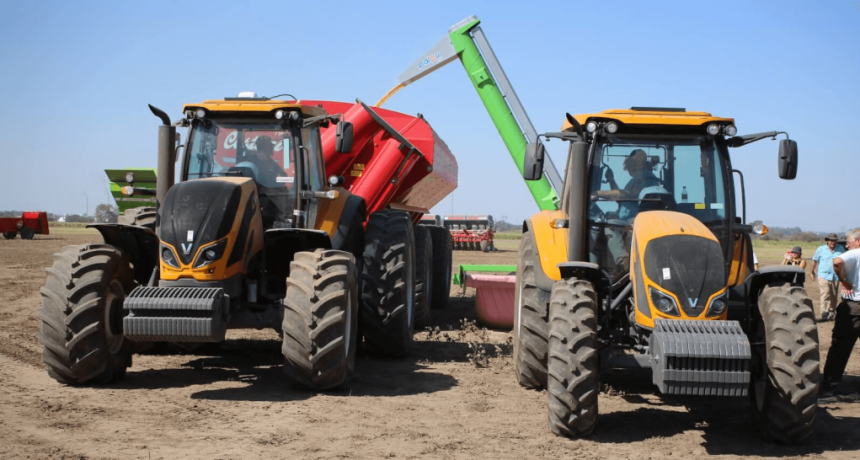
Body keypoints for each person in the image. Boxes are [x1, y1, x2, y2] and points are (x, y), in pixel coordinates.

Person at [820, 229, 860, 394]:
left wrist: (844, 281)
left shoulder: (855, 253)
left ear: (858, 241)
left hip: (854, 307)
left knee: (840, 347)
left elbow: (837, 263)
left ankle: (830, 385)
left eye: (849, 242)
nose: (847, 245)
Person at [599, 149, 662, 220]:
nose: (628, 167)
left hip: (636, 222)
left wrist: (598, 193)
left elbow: (625, 196)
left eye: (631, 162)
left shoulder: (646, 178)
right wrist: (611, 180)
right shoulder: (639, 178)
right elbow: (624, 199)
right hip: (630, 221)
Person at [811, 233, 846, 321]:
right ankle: (824, 312)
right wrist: (811, 272)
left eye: (834, 241)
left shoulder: (840, 249)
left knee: (834, 295)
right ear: (827, 241)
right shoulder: (821, 249)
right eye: (831, 241)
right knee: (825, 293)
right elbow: (814, 261)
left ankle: (832, 312)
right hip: (823, 275)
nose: (832, 243)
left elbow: (844, 261)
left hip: (835, 276)